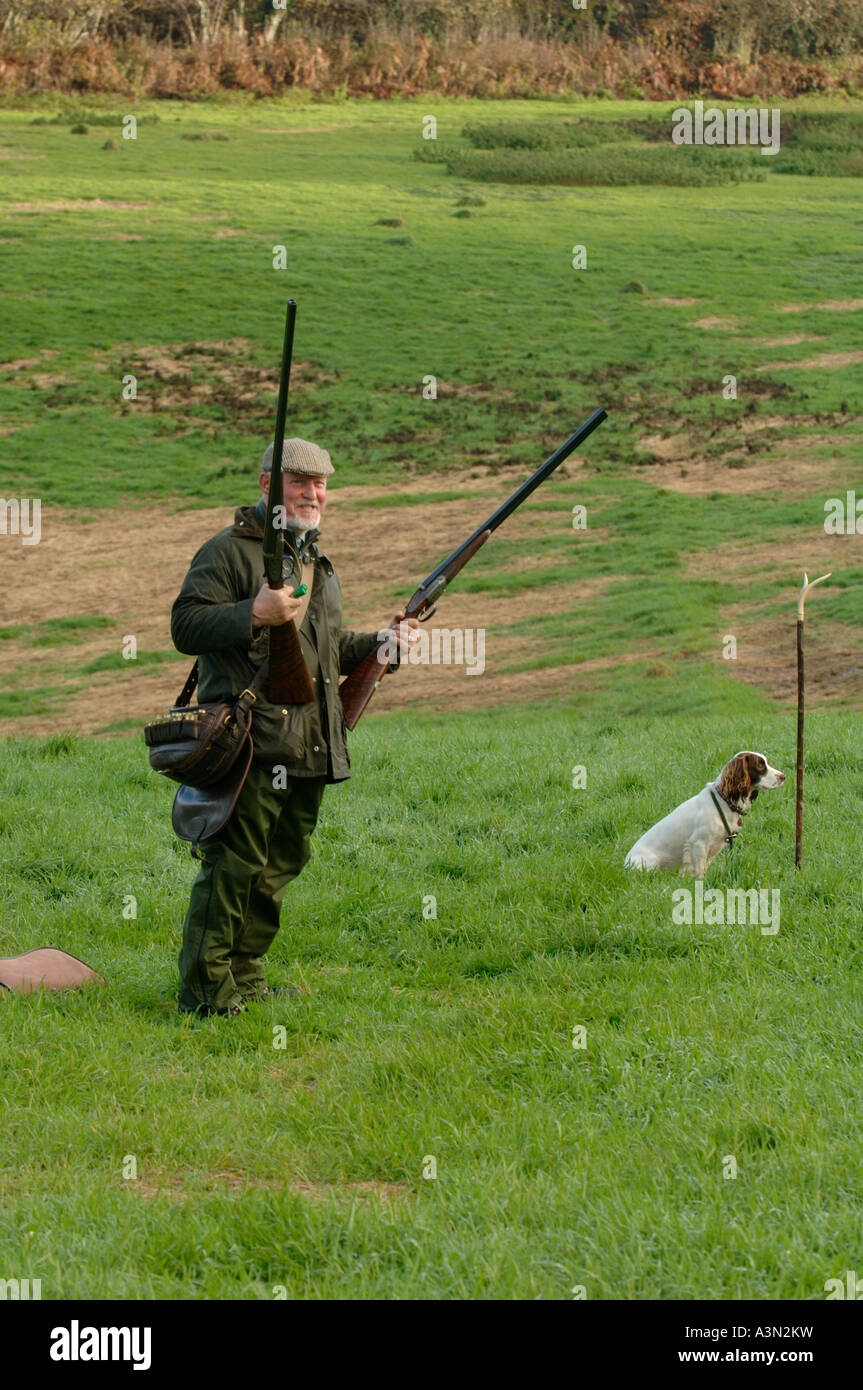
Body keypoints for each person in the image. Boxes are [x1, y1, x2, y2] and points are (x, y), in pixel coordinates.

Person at [170, 437, 419, 1016]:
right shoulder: (228, 553)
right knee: (234, 866)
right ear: (266, 486)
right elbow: (186, 625)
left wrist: (383, 644)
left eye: (321, 484)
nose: (313, 494)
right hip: (253, 741)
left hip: (308, 740)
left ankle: (245, 977)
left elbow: (326, 650)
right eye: (298, 482)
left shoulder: (316, 560)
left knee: (279, 866)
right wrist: (250, 613)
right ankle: (205, 992)